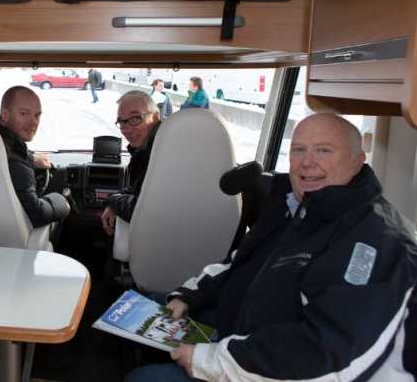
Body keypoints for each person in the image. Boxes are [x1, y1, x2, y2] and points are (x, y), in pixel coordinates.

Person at [125, 113, 417, 382]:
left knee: (144, 379)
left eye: (324, 150)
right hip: (242, 333)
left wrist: (210, 361)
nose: (307, 162)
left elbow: (329, 356)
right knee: (152, 306)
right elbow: (238, 262)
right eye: (298, 150)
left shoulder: (376, 240)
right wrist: (189, 296)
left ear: (358, 161)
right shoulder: (296, 205)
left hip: (279, 366)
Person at [0, 86, 70, 229]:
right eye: (24, 113)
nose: (33, 123)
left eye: (37, 115)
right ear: (5, 114)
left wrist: (29, 159)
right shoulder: (15, 165)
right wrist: (62, 200)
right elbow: (37, 214)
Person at [101, 91, 161, 235]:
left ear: (154, 117)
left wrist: (112, 200)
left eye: (135, 118)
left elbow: (141, 208)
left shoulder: (161, 156)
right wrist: (115, 202)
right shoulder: (148, 150)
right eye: (122, 122)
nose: (126, 129)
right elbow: (139, 191)